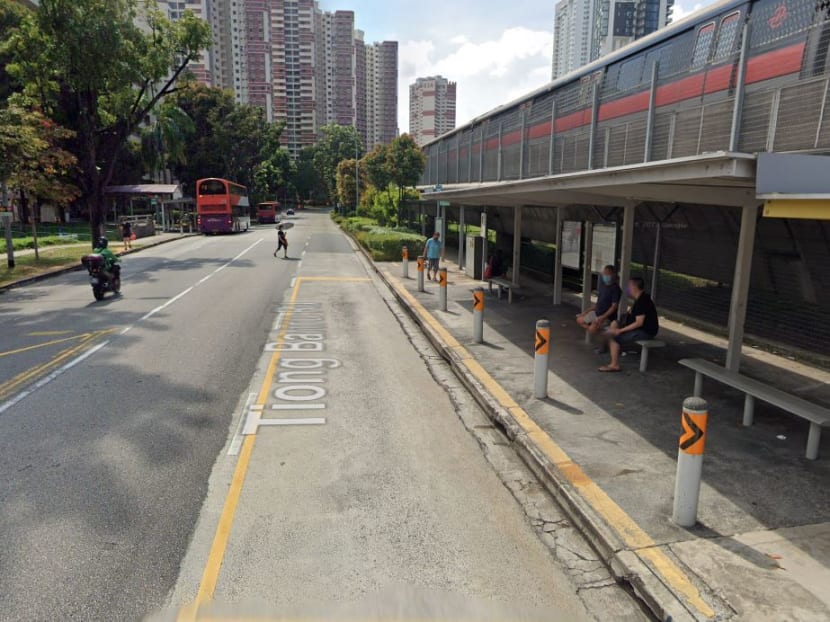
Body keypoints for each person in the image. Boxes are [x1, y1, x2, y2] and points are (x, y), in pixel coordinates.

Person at [600, 276, 659, 372]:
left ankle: (614, 365)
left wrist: (620, 330)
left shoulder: (643, 300)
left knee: (614, 337)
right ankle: (609, 350)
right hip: (639, 329)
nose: (627, 288)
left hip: (645, 332)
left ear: (635, 287)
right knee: (611, 330)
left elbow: (639, 323)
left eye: (629, 286)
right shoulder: (639, 298)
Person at [577, 265, 621, 340]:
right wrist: (586, 311)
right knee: (579, 319)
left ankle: (600, 341)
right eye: (604, 273)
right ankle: (593, 330)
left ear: (613, 275)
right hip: (596, 313)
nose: (605, 276)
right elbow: (598, 303)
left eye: (607, 274)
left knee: (593, 328)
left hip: (606, 317)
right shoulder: (603, 286)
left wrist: (603, 317)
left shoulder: (615, 289)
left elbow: (614, 306)